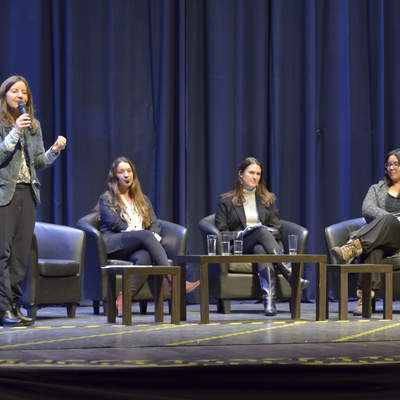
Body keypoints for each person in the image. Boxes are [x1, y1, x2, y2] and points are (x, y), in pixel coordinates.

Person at [0, 75, 66, 326]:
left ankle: (15, 306)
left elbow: (39, 162)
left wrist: (54, 150)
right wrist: (15, 131)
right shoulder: (4, 123)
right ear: (5, 95)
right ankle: (3, 308)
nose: (20, 96)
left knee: (19, 254)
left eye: (24, 92)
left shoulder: (33, 125)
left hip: (28, 192)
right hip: (5, 193)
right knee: (2, 253)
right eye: (15, 91)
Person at [98, 157, 199, 315]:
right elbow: (114, 224)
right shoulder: (107, 198)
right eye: (121, 172)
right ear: (115, 176)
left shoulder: (143, 199)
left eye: (129, 171)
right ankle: (174, 280)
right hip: (115, 243)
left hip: (138, 245)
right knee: (145, 236)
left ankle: (123, 299)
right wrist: (143, 235)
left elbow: (155, 224)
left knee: (145, 256)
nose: (126, 175)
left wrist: (151, 237)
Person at [215, 156, 310, 317]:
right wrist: (245, 232)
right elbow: (222, 232)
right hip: (241, 245)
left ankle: (269, 301)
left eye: (258, 174)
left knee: (260, 247)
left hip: (264, 245)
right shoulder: (226, 200)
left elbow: (278, 230)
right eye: (251, 172)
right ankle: (291, 274)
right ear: (240, 174)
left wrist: (262, 231)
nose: (255, 177)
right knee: (259, 231)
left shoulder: (267, 199)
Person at [331, 148, 400, 315]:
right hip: (382, 239)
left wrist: (394, 221)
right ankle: (365, 297)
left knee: (388, 222)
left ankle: (354, 245)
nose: (391, 167)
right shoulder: (377, 188)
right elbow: (367, 209)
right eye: (389, 164)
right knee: (375, 249)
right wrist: (390, 219)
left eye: (396, 164)